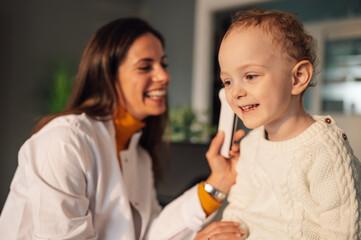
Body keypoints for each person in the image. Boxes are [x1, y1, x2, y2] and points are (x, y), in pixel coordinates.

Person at [0, 18, 245, 239]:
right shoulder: (63, 142)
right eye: (145, 66)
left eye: (163, 63)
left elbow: (150, 232)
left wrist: (219, 181)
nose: (163, 76)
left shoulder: (138, 156)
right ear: (107, 75)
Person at [218, 9, 361, 240]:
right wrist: (230, 230)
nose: (235, 92)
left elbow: (342, 232)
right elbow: (240, 205)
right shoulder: (251, 145)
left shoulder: (324, 150)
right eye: (227, 81)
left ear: (297, 78)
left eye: (251, 76)